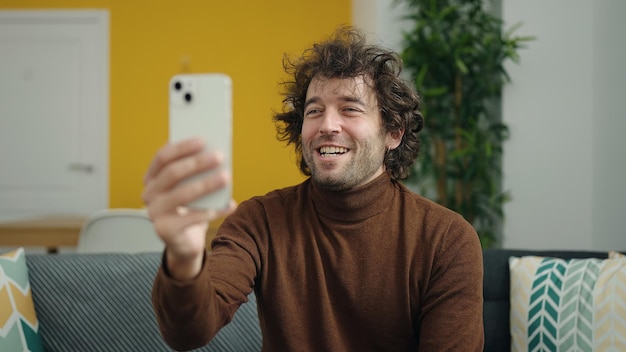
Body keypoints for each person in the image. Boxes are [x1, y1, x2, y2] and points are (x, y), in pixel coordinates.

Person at [143, 26, 484, 351]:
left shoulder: (447, 239)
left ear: (393, 133)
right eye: (314, 111)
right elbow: (188, 333)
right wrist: (184, 257)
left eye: (350, 109)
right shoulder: (259, 220)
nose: (327, 125)